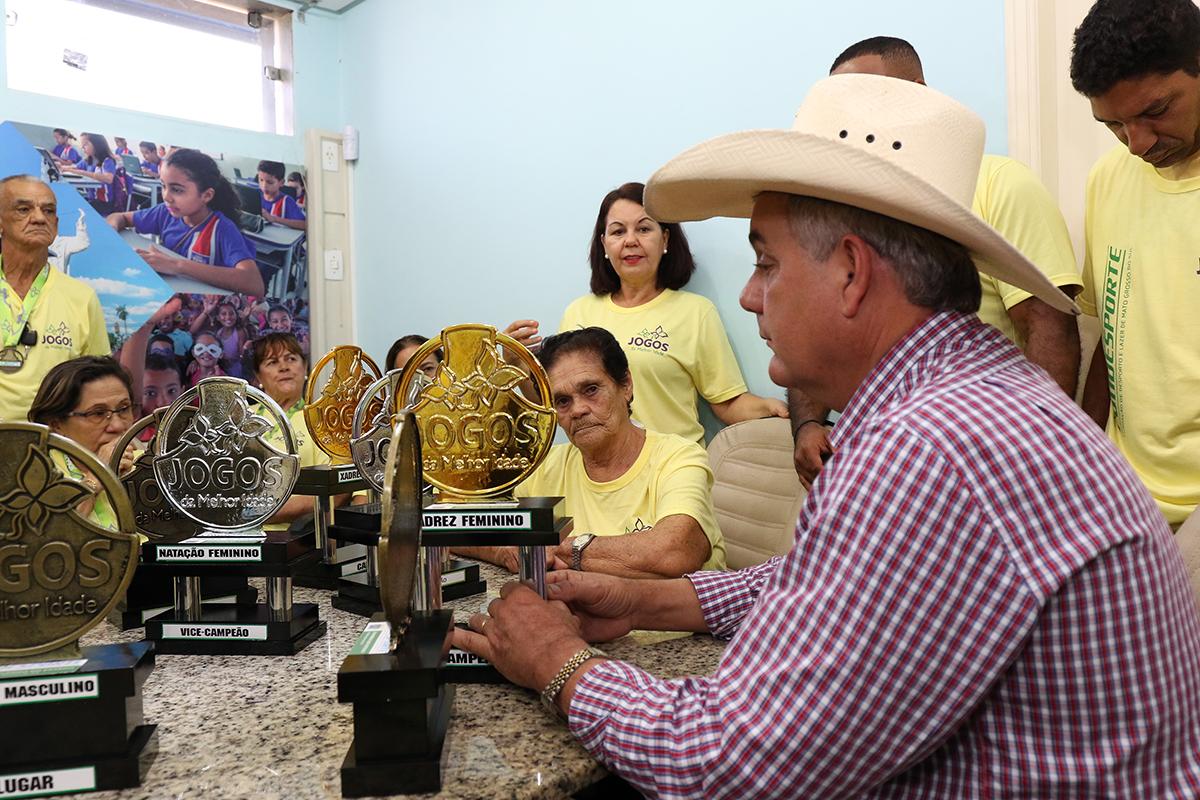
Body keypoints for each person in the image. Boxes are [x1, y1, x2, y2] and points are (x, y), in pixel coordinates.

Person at [451, 75, 1200, 797]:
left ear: (850, 271)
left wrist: (557, 661)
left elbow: (729, 763)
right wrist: (649, 601)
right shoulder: (966, 396)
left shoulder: (929, 447)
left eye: (765, 262)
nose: (748, 293)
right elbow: (831, 585)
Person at [789, 36, 1084, 488]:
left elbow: (1049, 328)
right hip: (869, 457)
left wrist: (1028, 465)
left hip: (970, 456)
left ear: (920, 92)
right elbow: (820, 329)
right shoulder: (847, 207)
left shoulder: (999, 184)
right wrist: (808, 423)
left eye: (869, 97)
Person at [508, 182, 787, 446]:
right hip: (601, 475)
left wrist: (770, 408)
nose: (631, 241)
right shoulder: (579, 312)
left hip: (673, 473)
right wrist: (516, 365)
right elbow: (557, 406)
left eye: (643, 229)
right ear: (604, 244)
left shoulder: (695, 312)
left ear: (665, 239)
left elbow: (727, 404)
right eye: (618, 232)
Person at [1071, 0, 1200, 528]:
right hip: (1128, 500)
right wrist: (1083, 463)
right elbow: (1113, 336)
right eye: (1115, 126)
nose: (1137, 144)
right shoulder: (1108, 180)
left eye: (1155, 111)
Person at [457, 327, 725, 578]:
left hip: (675, 628)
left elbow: (676, 551)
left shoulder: (678, 458)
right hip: (580, 623)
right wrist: (504, 550)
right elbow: (455, 527)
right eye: (562, 401)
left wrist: (563, 548)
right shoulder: (548, 467)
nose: (578, 410)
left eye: (591, 390)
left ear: (626, 385)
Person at [0, 175, 109, 423]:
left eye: (48, 210)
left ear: (56, 225)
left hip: (53, 449)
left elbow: (98, 385)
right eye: (23, 209)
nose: (39, 218)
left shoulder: (81, 298)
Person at [105, 149, 265, 296]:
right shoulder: (164, 212)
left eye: (177, 190)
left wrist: (178, 265)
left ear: (206, 196)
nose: (166, 196)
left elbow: (254, 283)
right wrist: (110, 229)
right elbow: (120, 217)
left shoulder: (222, 228)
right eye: (163, 186)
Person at [251, 332, 349, 529]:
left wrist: (257, 513)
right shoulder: (241, 418)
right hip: (240, 539)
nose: (284, 367)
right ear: (258, 376)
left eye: (291, 359)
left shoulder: (325, 420)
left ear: (305, 367)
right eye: (272, 362)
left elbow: (336, 491)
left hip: (301, 538)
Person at [27, 356, 136, 529]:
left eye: (124, 409)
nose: (117, 425)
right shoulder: (32, 475)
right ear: (56, 424)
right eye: (98, 413)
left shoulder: (147, 463)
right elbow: (46, 541)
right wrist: (98, 474)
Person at [189, 297, 253, 379]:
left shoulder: (239, 332)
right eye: (223, 314)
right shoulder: (218, 332)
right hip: (218, 368)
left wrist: (244, 349)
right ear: (218, 318)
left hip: (233, 372)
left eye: (231, 313)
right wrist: (197, 360)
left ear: (236, 316)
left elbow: (242, 356)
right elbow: (192, 331)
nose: (228, 317)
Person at [59, 133, 122, 214]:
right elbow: (74, 167)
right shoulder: (89, 159)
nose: (82, 148)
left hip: (104, 203)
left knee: (75, 210)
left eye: (85, 144)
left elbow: (109, 179)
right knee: (69, 202)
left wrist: (83, 172)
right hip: (92, 199)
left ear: (96, 144)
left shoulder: (107, 160)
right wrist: (61, 167)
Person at [257, 160, 306, 231]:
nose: (264, 186)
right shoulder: (256, 195)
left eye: (270, 182)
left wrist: (274, 219)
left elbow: (304, 224)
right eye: (261, 180)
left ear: (282, 183)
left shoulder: (287, 201)